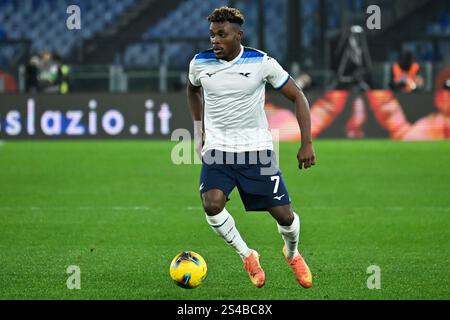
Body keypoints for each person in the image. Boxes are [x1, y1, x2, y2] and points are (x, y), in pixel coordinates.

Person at [187, 7, 315, 288]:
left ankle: (292, 254)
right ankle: (247, 255)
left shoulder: (262, 63)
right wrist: (199, 130)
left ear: (238, 35)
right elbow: (192, 89)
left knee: (284, 215)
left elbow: (298, 96)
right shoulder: (199, 63)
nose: (215, 41)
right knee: (212, 204)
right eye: (212, 35)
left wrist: (306, 142)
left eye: (222, 35)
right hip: (218, 150)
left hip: (257, 151)